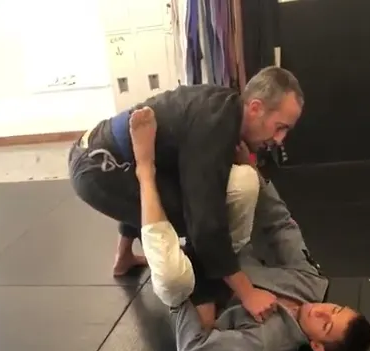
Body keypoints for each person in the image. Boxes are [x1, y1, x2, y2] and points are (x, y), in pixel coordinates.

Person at [127, 106, 370, 351]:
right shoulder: (310, 282)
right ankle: (126, 246)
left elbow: (192, 347)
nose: (321, 311)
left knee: (173, 278)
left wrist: (203, 299)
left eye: (326, 325)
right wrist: (252, 167)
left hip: (193, 285)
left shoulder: (266, 345)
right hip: (223, 248)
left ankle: (144, 171)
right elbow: (280, 226)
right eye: (335, 309)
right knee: (246, 181)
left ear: (317, 346)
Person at [69, 66, 305, 324]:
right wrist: (247, 293)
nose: (280, 139)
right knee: (193, 219)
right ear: (256, 108)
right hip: (98, 167)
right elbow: (205, 227)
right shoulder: (214, 126)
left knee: (191, 191)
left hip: (102, 150)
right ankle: (200, 295)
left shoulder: (226, 108)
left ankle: (123, 258)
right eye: (280, 127)